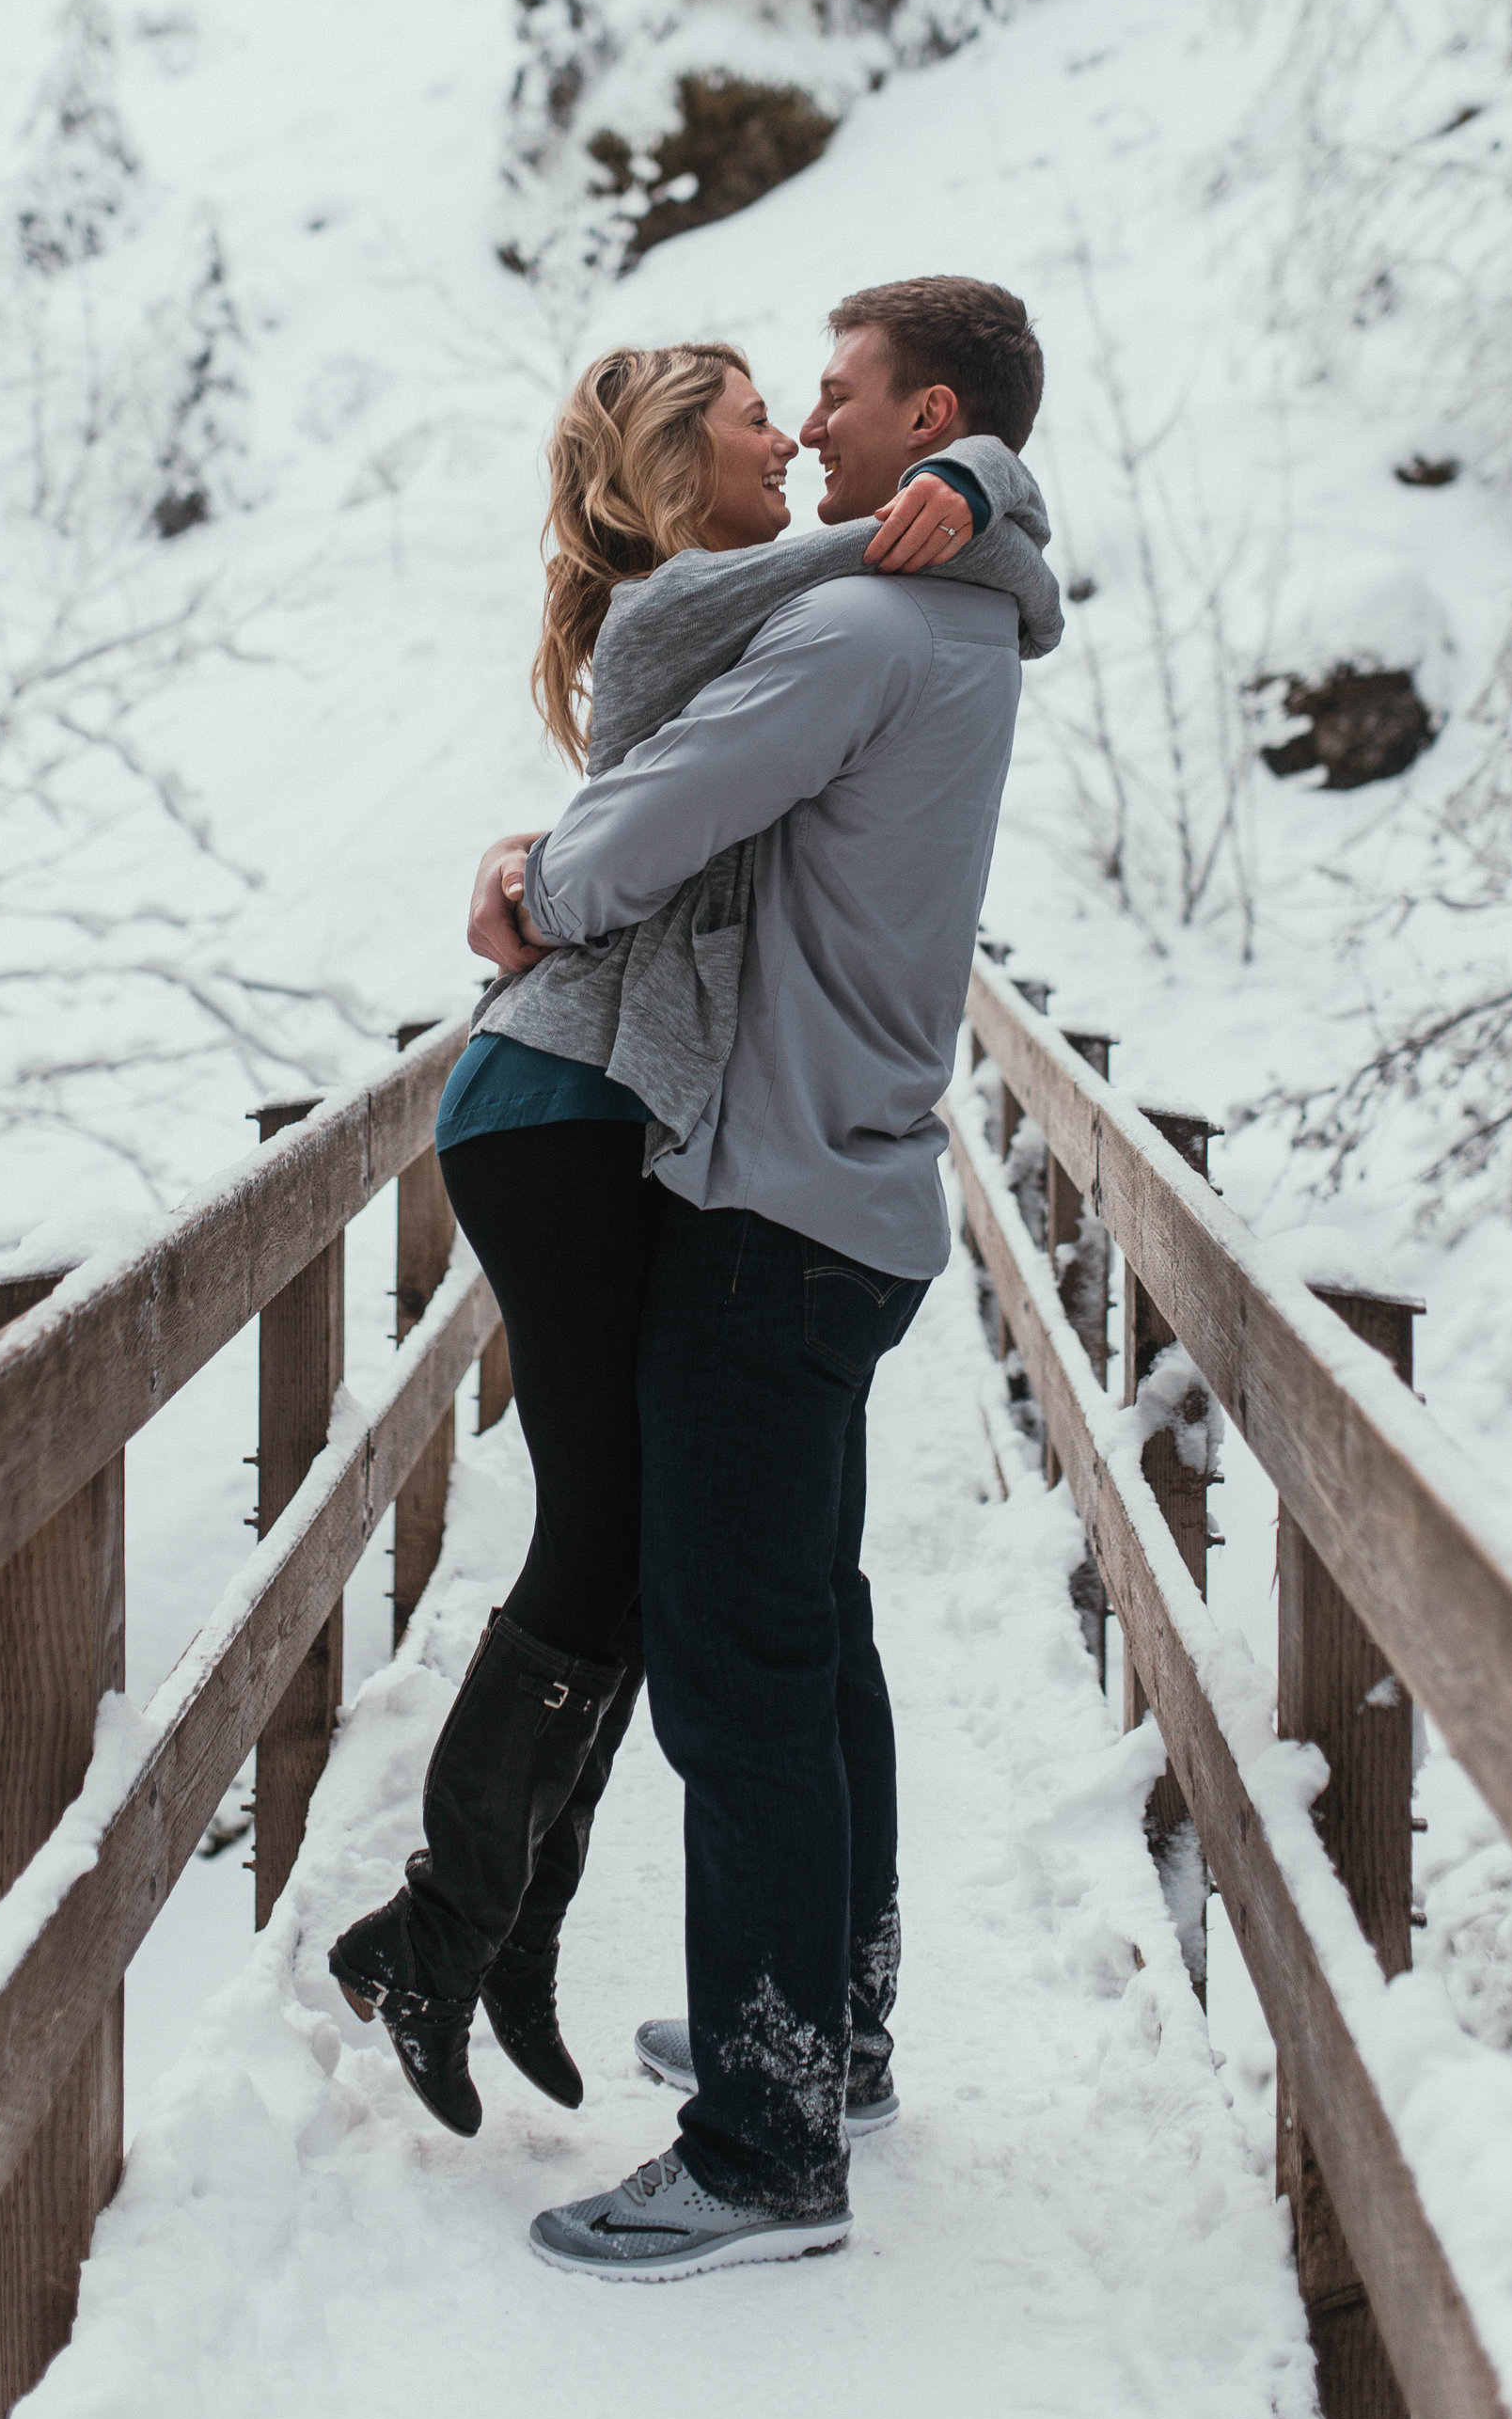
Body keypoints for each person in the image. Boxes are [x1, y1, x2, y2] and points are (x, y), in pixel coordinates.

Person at [327, 330, 1061, 2133]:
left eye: (810, 402)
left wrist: (989, 500)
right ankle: (455, 1935)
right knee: (615, 1551)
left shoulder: (793, 610)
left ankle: (496, 1939)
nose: (794, 430)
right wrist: (980, 511)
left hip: (603, 1115)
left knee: (648, 1561)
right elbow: (638, 834)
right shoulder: (705, 605)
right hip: (558, 1105)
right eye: (756, 417)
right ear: (682, 475)